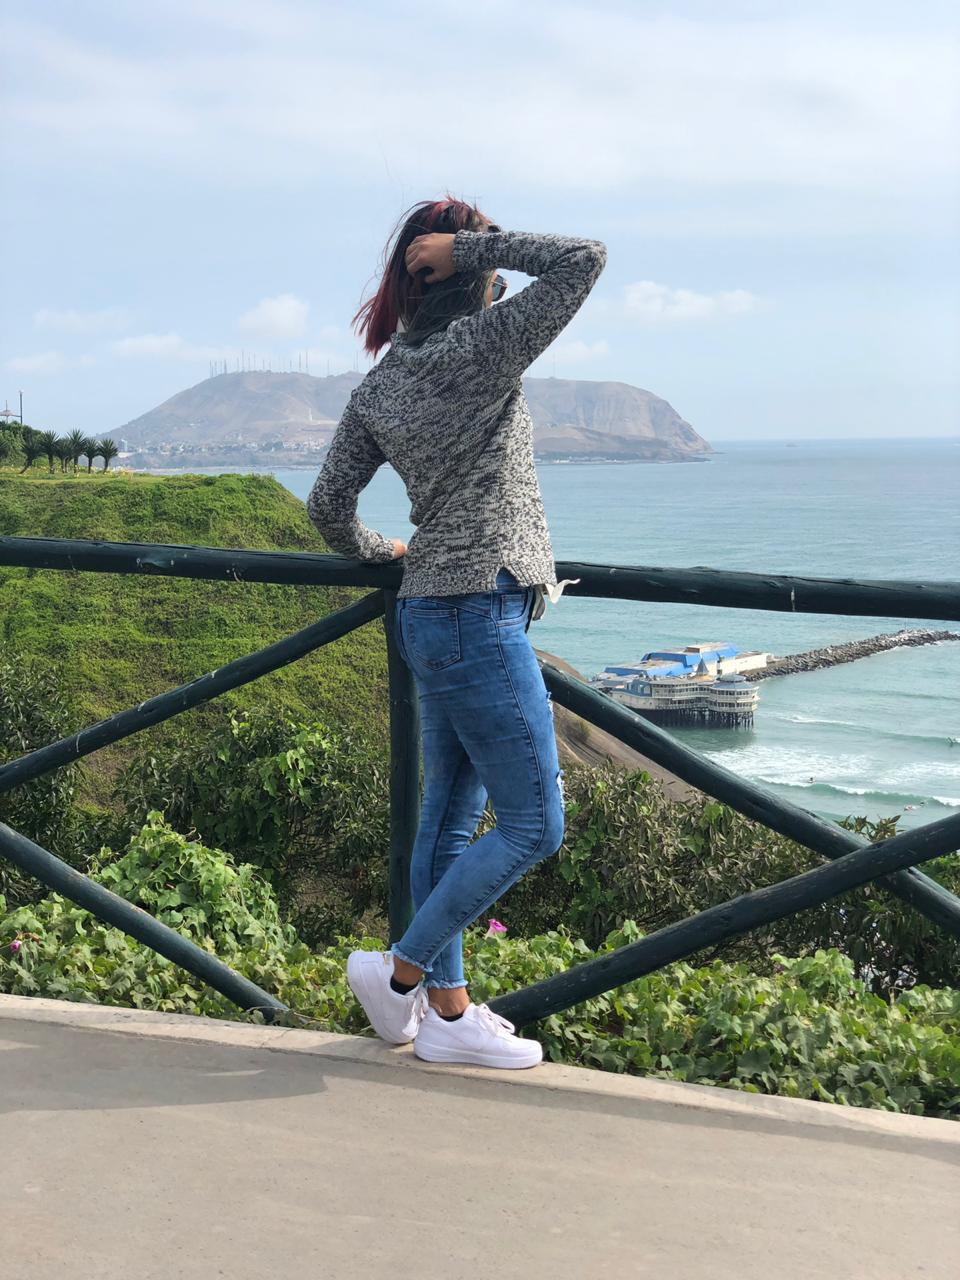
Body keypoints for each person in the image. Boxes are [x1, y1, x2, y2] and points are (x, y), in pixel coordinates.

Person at [306, 194, 607, 1068]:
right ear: (459, 270)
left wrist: (384, 551)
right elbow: (584, 258)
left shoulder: (382, 384)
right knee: (535, 826)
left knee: (446, 821)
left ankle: (448, 1016)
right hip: (480, 610)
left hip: (427, 611)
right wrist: (475, 248)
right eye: (483, 264)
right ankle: (398, 973)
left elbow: (327, 507)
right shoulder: (485, 346)